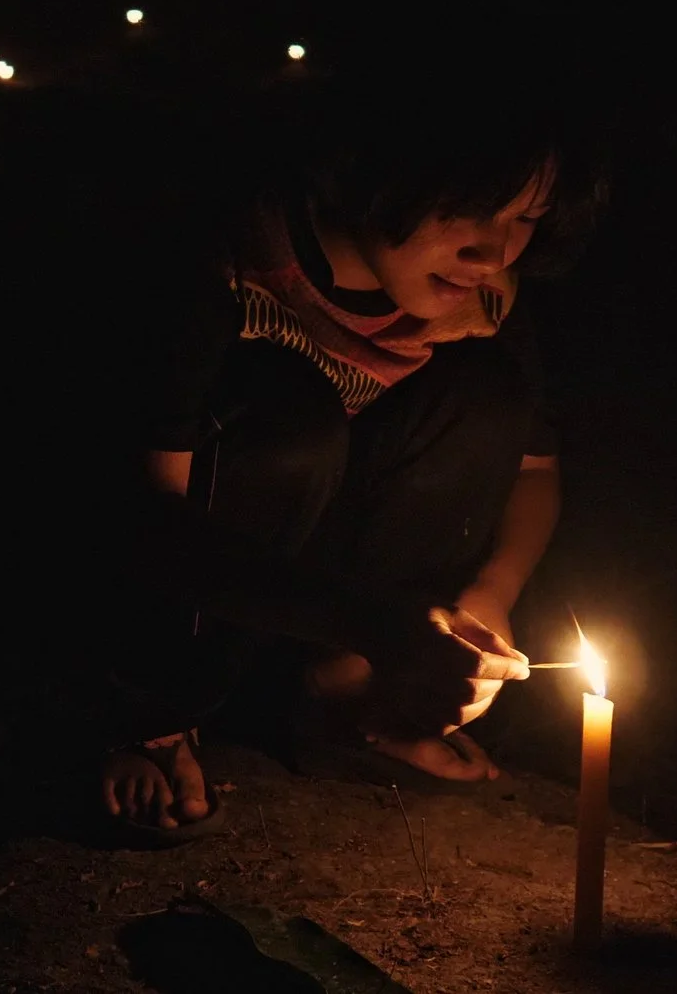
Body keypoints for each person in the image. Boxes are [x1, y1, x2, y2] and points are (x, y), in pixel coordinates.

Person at [78, 71, 606, 837]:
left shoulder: (486, 303)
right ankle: (149, 715)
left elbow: (535, 474)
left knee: (489, 400)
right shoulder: (230, 262)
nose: (490, 251)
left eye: (523, 218)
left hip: (335, 590)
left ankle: (349, 699)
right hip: (210, 554)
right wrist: (368, 620)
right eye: (462, 206)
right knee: (295, 421)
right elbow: (144, 519)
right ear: (374, 166)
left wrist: (488, 596)